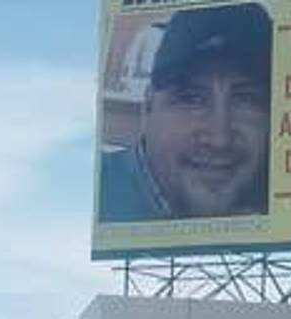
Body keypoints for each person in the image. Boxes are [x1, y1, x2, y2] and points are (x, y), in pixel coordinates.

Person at [99, 3, 272, 222]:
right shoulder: (90, 200)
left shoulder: (285, 207)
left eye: (246, 100)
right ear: (148, 106)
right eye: (191, 99)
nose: (219, 139)